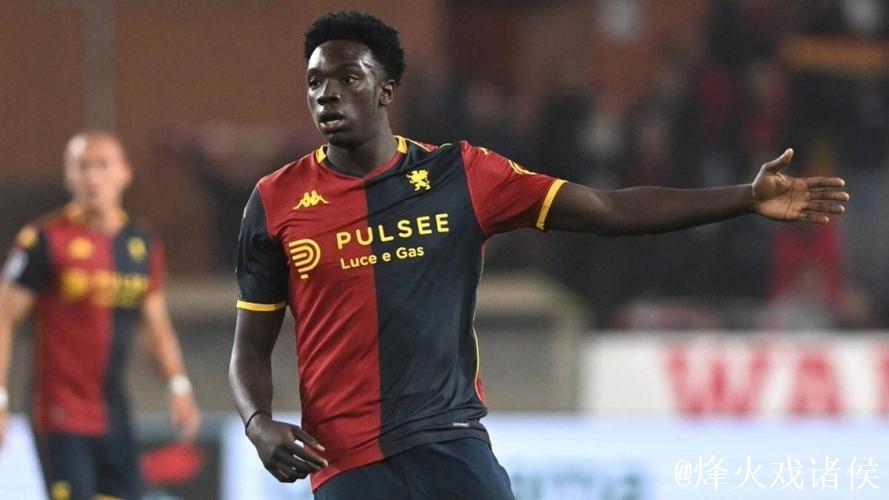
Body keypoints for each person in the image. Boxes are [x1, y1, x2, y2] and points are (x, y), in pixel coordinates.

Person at [229, 11, 849, 499]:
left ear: (386, 89)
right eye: (315, 82)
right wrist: (258, 424)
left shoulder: (461, 175)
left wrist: (744, 198)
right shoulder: (276, 201)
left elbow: (607, 209)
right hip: (347, 466)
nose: (327, 94)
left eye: (347, 78)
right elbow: (250, 348)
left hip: (450, 445)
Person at [0, 131, 201, 500]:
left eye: (102, 166)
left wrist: (178, 386)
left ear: (125, 173)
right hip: (59, 414)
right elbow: (4, 318)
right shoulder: (43, 240)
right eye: (82, 167)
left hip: (115, 414)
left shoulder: (141, 246)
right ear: (68, 175)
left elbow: (156, 327)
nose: (92, 177)